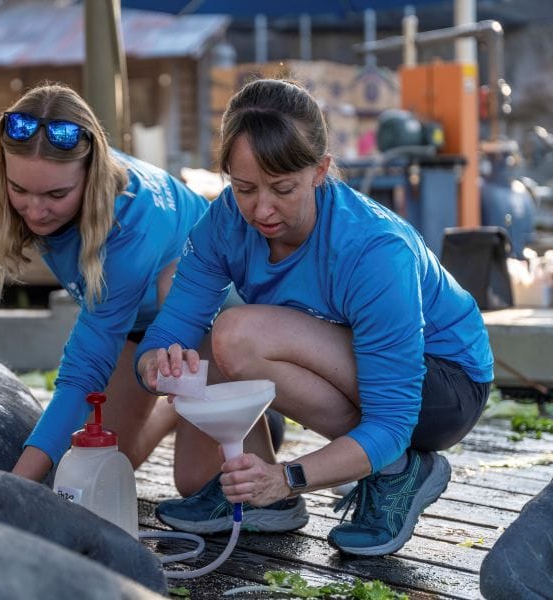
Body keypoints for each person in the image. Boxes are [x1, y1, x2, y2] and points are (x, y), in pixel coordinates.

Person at [134, 78, 494, 557]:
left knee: (239, 332)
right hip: (357, 367)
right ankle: (259, 498)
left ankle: (396, 470)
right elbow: (170, 328)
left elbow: (393, 418)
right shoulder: (224, 220)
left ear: (320, 170)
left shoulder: (373, 248)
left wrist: (289, 479)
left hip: (444, 387)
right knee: (212, 340)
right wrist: (155, 365)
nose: (262, 209)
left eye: (283, 188)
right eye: (244, 188)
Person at [0, 83, 213, 482]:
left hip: (207, 308)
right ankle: (172, 412)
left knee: (193, 482)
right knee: (103, 463)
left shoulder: (134, 218)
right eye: (20, 190)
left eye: (56, 194)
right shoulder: (4, 188)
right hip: (131, 321)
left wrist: (17, 485)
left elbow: (86, 364)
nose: (35, 210)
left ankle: (227, 403)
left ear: (90, 175)